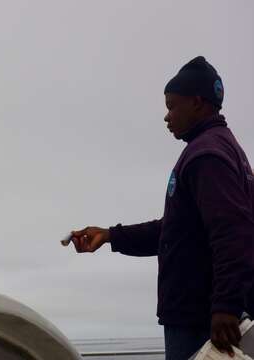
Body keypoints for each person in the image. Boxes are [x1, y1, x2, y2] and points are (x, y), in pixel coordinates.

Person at [69, 56, 254, 360]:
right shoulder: (220, 148)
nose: (167, 117)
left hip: (202, 319)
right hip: (201, 313)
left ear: (197, 102)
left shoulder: (207, 156)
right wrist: (111, 236)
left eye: (171, 106)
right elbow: (177, 232)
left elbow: (233, 233)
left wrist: (225, 306)